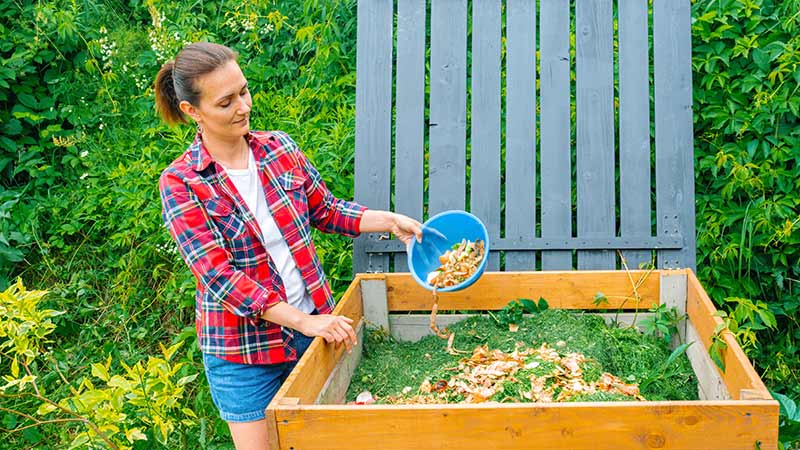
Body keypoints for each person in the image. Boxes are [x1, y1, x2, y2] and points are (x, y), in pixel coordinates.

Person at [154, 42, 422, 450]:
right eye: (225, 102)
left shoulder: (279, 149)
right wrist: (304, 321)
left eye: (243, 91)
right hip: (243, 353)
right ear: (193, 111)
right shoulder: (181, 182)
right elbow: (220, 278)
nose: (242, 107)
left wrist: (390, 221)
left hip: (312, 333)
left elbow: (329, 210)